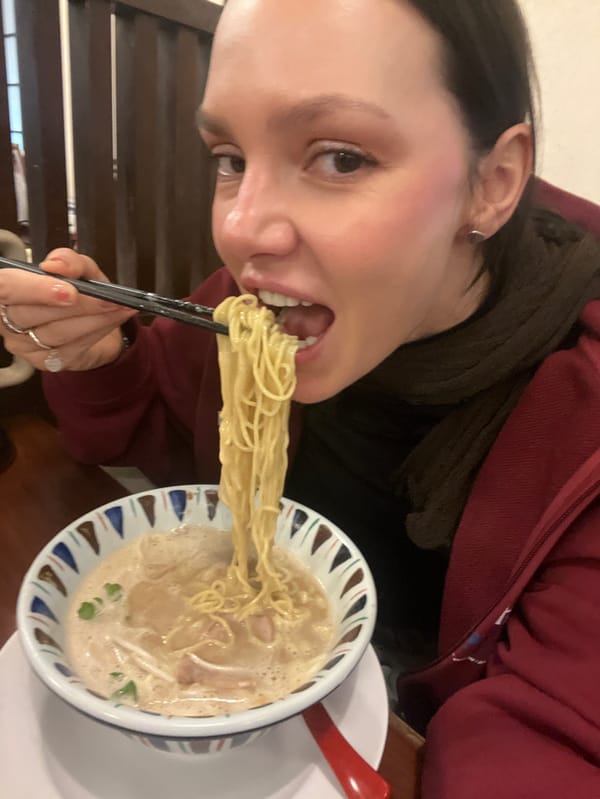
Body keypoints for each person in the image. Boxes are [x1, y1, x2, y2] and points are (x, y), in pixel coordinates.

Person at [2, 0, 600, 794]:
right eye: (228, 156)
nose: (245, 227)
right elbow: (148, 426)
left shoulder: (580, 399)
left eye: (341, 157)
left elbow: (546, 732)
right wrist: (93, 354)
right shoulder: (253, 310)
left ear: (491, 184)